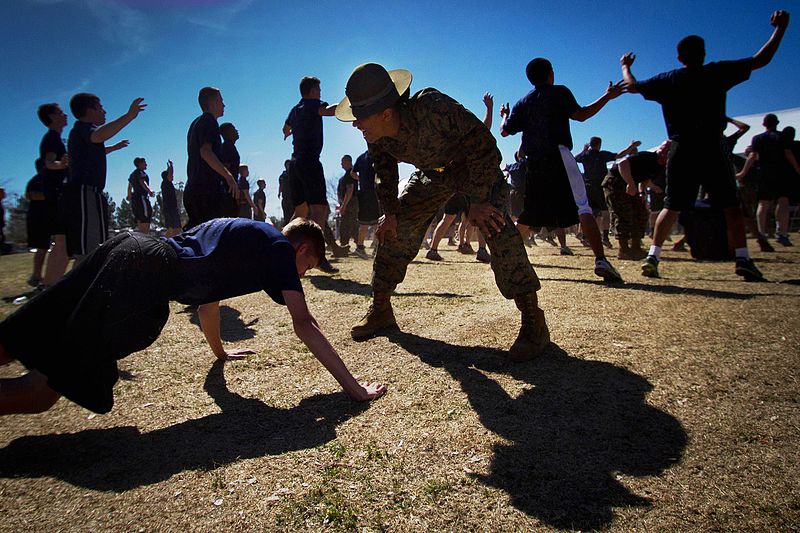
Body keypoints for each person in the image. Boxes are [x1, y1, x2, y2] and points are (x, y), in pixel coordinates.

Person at [0, 218, 386, 416]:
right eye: (309, 265)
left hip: (126, 247)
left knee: (21, 336)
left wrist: (220, 354)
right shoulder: (278, 248)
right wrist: (354, 389)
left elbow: (207, 304)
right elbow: (305, 323)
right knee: (41, 392)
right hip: (144, 270)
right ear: (300, 248)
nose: (302, 275)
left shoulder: (246, 243)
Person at [336, 63, 548, 361]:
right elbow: (384, 173)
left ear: (386, 113)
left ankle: (532, 320)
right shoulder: (377, 135)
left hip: (475, 168)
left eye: (360, 117)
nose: (356, 124)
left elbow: (485, 146)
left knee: (494, 225)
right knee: (395, 228)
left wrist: (475, 200)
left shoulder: (433, 107)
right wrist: (391, 212)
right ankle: (381, 308)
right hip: (433, 175)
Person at [621, 10, 790, 281]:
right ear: (704, 53)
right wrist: (780, 29)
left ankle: (653, 256)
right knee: (730, 206)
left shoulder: (670, 80)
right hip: (712, 146)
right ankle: (743, 259)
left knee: (671, 205)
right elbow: (762, 59)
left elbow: (633, 86)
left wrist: (625, 66)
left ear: (679, 57)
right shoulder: (718, 72)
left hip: (682, 147)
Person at [500, 58, 625, 282]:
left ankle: (506, 260)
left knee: (528, 216)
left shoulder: (523, 102)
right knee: (583, 207)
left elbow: (504, 131)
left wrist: (503, 115)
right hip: (559, 156)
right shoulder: (559, 92)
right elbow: (582, 115)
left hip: (534, 163)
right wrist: (608, 96)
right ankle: (600, 260)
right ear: (550, 74)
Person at [64, 93, 144, 259]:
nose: (104, 111)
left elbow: (92, 151)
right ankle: (83, 282)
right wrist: (129, 116)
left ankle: (92, 280)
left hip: (93, 194)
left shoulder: (85, 136)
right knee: (89, 249)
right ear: (89, 110)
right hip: (84, 193)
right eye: (100, 107)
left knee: (97, 245)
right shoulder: (82, 129)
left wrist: (113, 148)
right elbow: (100, 135)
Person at [283, 76, 346, 272]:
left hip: (294, 164)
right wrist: (349, 101)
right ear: (311, 91)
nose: (320, 93)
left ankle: (280, 249)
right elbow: (329, 111)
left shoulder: (295, 110)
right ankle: (318, 256)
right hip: (310, 162)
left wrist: (294, 132)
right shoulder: (313, 104)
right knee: (319, 210)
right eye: (318, 89)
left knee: (300, 212)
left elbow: (285, 129)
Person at [184, 87, 240, 230]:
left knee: (197, 234)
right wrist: (228, 176)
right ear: (214, 102)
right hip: (206, 191)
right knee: (212, 235)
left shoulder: (195, 123)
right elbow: (205, 152)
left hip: (193, 189)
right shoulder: (209, 121)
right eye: (221, 100)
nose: (224, 105)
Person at [603, 142, 670, 260]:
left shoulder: (660, 165)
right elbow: (622, 164)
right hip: (616, 182)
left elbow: (646, 179)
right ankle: (623, 249)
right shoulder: (647, 157)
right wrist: (630, 183)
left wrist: (641, 193)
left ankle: (635, 246)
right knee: (622, 213)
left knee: (641, 212)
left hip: (632, 184)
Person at [574, 137, 641, 247]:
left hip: (588, 187)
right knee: (605, 213)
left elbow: (575, 158)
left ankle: (586, 236)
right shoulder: (602, 154)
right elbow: (619, 155)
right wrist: (631, 147)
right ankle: (605, 237)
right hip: (600, 186)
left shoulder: (585, 155)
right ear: (599, 144)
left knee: (591, 212)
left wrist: (583, 150)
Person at [748, 113, 800, 247]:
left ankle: (761, 234)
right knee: (783, 201)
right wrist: (797, 169)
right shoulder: (782, 137)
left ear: (764, 124)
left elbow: (752, 156)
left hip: (764, 173)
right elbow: (788, 154)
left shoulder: (758, 138)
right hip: (781, 172)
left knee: (763, 203)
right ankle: (782, 233)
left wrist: (743, 172)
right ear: (777, 123)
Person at [37, 103, 70, 287]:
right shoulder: (51, 138)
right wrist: (60, 165)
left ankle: (50, 286)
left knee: (63, 242)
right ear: (51, 116)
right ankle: (50, 287)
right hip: (56, 195)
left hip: (57, 195)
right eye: (60, 112)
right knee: (61, 242)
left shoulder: (56, 139)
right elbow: (49, 162)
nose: (64, 114)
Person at [352, 149, 380, 259]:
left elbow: (352, 173)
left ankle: (359, 247)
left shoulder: (361, 157)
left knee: (363, 222)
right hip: (373, 192)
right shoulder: (377, 155)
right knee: (377, 221)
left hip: (363, 192)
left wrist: (361, 179)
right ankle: (377, 248)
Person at [25, 160, 49, 287]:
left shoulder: (49, 180)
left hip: (49, 218)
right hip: (39, 218)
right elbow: (31, 195)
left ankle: (42, 275)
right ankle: (36, 276)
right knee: (42, 247)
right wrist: (51, 195)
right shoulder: (37, 180)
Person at [336, 155, 359, 248]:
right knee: (345, 224)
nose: (341, 164)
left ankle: (358, 244)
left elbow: (350, 190)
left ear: (348, 162)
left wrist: (344, 206)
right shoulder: (343, 177)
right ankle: (344, 244)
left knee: (351, 223)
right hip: (345, 202)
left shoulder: (351, 174)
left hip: (351, 203)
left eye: (343, 162)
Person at [128, 157, 155, 234]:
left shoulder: (132, 174)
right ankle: (145, 240)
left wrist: (129, 195)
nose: (146, 164)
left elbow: (129, 186)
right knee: (145, 220)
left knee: (140, 220)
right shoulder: (140, 172)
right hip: (141, 199)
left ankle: (142, 239)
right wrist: (149, 190)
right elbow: (142, 182)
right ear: (140, 164)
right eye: (144, 162)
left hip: (135, 200)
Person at [160, 160, 182, 238]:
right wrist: (171, 165)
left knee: (175, 228)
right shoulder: (166, 182)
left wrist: (168, 167)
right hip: (170, 208)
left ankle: (167, 242)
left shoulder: (165, 183)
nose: (172, 176)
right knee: (174, 228)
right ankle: (165, 242)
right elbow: (170, 174)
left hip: (170, 208)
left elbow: (169, 173)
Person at [277, 159, 293, 226]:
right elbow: (281, 185)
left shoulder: (294, 174)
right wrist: (279, 192)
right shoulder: (282, 176)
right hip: (286, 198)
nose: (289, 166)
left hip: (293, 198)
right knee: (287, 217)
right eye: (287, 165)